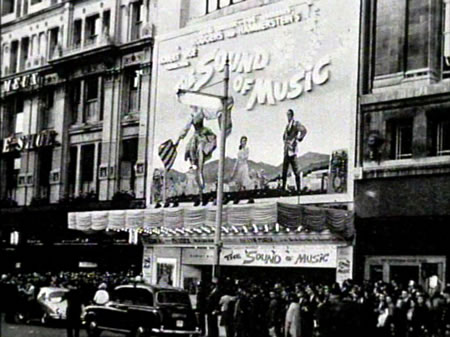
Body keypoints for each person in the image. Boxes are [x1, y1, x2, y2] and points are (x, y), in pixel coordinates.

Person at [175, 98, 233, 202]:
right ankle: (199, 181)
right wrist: (177, 141)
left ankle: (200, 172)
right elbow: (185, 129)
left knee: (201, 149)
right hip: (197, 137)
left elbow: (212, 114)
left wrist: (222, 110)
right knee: (196, 157)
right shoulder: (191, 116)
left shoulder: (201, 111)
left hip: (204, 135)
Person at [281, 109, 307, 192]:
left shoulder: (296, 124)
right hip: (286, 151)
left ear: (292, 115)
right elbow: (284, 137)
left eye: (289, 115)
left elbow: (304, 130)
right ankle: (283, 189)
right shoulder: (287, 126)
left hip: (292, 151)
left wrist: (299, 138)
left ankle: (298, 189)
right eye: (287, 115)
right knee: (284, 171)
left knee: (296, 171)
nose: (287, 116)